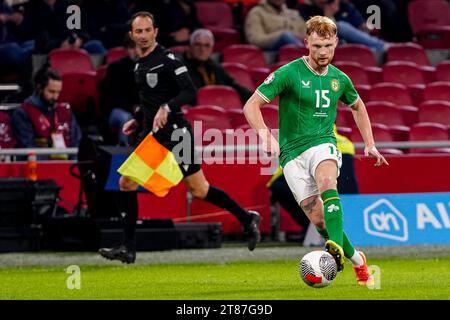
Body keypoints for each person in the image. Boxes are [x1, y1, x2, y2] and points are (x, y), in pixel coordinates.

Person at [98, 12, 261, 264]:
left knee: (199, 190)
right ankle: (128, 248)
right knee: (126, 183)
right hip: (155, 136)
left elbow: (189, 90)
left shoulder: (169, 59)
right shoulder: (140, 65)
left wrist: (166, 106)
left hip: (178, 135)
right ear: (131, 35)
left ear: (156, 32)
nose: (142, 36)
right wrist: (138, 116)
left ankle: (247, 219)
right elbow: (150, 100)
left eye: (147, 30)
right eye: (138, 31)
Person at [243, 16, 388, 286]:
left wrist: (369, 144)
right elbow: (251, 106)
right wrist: (265, 136)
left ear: (336, 44)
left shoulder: (339, 79)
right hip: (291, 156)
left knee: (327, 181)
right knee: (320, 220)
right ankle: (357, 259)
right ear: (307, 42)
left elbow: (358, 106)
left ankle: (332, 246)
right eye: (318, 45)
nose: (324, 53)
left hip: (323, 144)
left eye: (329, 46)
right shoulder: (289, 73)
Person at [267, 126, 359, 243]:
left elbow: (279, 177)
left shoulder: (303, 141)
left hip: (318, 192)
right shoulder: (347, 143)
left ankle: (309, 227)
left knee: (281, 187)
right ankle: (354, 255)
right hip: (344, 197)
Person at [11, 67, 81, 152]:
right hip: (39, 164)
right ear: (39, 88)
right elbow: (27, 147)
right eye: (51, 92)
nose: (55, 97)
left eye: (58, 92)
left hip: (68, 163)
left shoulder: (65, 111)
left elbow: (77, 143)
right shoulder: (23, 113)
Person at [178, 28, 252, 104]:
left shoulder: (215, 66)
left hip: (217, 106)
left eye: (206, 46)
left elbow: (235, 87)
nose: (202, 49)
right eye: (197, 45)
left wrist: (255, 98)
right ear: (190, 47)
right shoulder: (179, 66)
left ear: (211, 49)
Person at [299, 0, 387, 53]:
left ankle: (380, 48)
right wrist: (328, 16)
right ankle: (382, 46)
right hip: (329, 47)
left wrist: (366, 27)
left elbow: (361, 26)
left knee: (372, 51)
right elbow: (313, 34)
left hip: (354, 46)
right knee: (340, 26)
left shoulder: (343, 6)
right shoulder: (305, 8)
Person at [99, 35, 139, 146]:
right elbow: (112, 98)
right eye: (132, 47)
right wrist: (132, 107)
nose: (136, 51)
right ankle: (123, 152)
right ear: (126, 49)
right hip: (116, 110)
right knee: (126, 119)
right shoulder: (115, 68)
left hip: (140, 109)